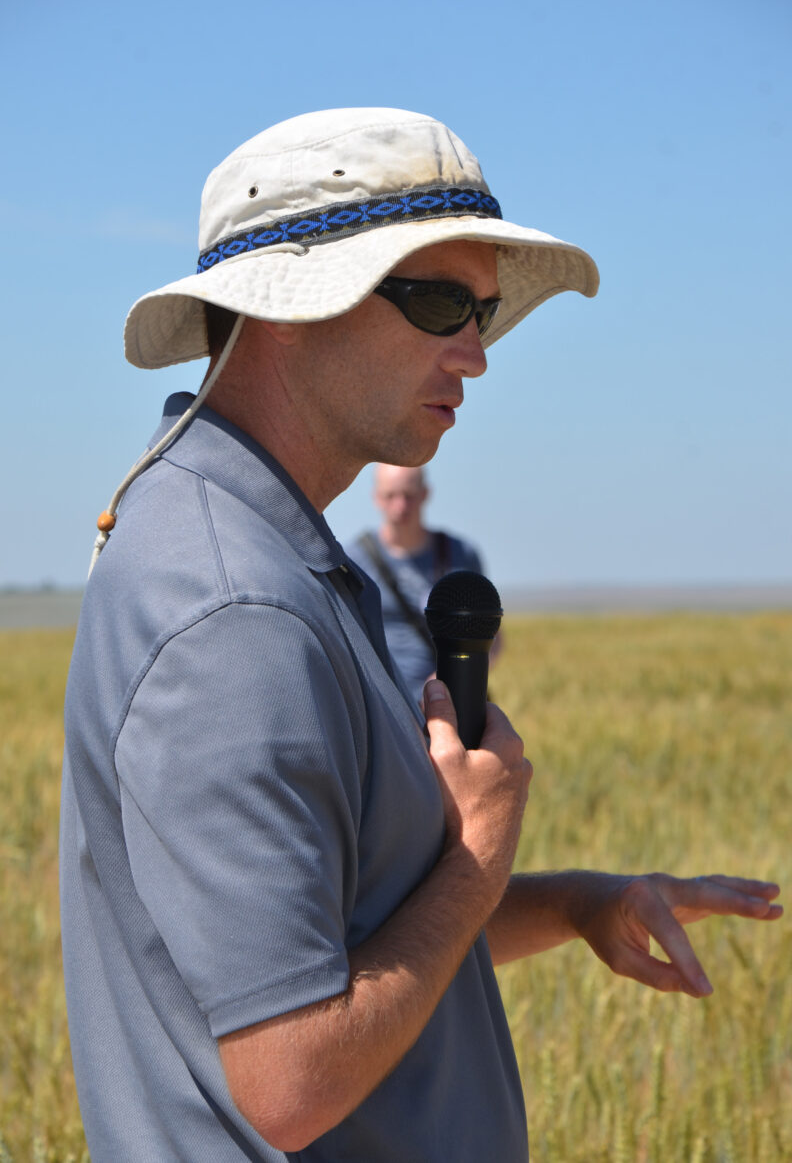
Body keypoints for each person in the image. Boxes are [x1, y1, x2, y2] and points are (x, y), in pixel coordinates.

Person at [60, 107, 782, 1162]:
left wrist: (580, 902)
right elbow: (292, 1075)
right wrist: (480, 859)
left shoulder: (276, 554)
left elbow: (356, 934)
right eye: (441, 303)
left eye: (483, 312)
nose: (476, 356)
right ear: (289, 306)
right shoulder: (234, 612)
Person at [346, 463, 491, 704]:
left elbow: (491, 638)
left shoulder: (460, 554)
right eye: (390, 496)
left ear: (425, 494)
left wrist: (453, 677)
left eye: (409, 496)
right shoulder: (354, 559)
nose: (400, 506)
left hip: (447, 704)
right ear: (376, 498)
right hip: (381, 708)